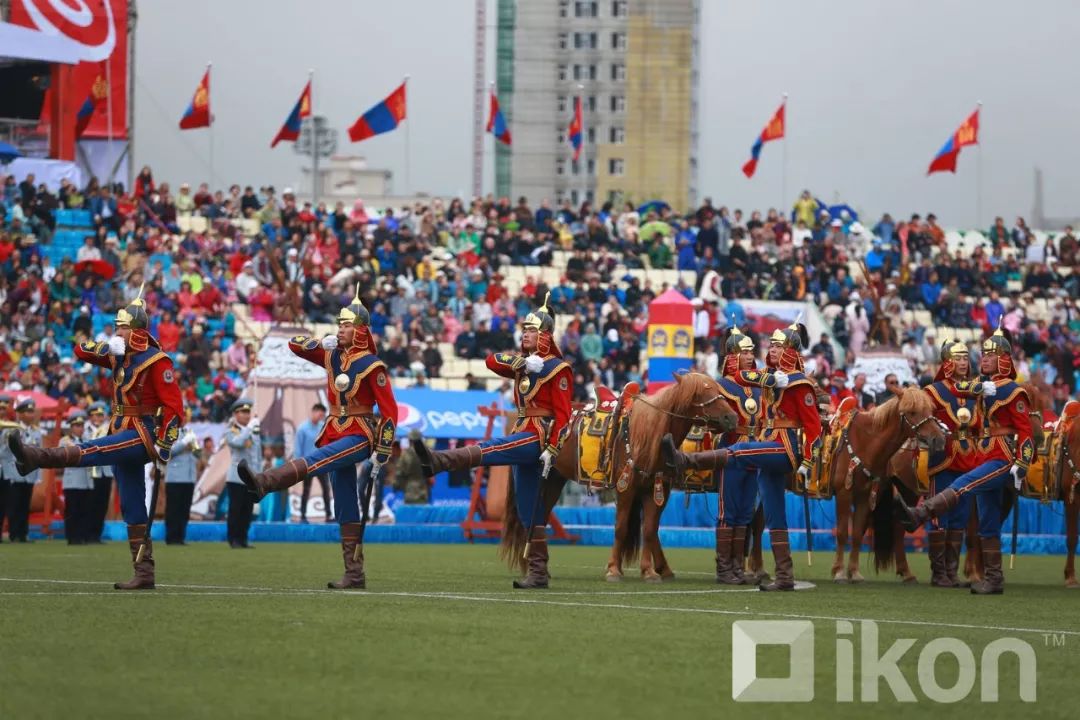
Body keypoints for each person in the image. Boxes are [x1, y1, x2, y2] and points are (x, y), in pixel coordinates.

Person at [8, 286, 185, 589]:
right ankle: (144, 572)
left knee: (94, 450)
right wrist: (107, 346)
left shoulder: (157, 361)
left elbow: (174, 407)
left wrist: (164, 443)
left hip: (143, 432)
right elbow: (80, 351)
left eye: (122, 327)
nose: (117, 330)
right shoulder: (118, 354)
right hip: (121, 427)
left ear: (136, 329)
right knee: (131, 503)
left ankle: (37, 456)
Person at [238, 285, 398, 590]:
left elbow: (389, 411)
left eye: (347, 324)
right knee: (345, 502)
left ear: (361, 330)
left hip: (360, 433)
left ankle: (266, 481)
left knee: (317, 460)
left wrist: (383, 448)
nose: (341, 329)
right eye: (339, 324)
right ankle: (354, 573)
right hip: (334, 430)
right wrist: (319, 343)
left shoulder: (372, 365)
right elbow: (294, 345)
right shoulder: (331, 356)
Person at [414, 294, 573, 589]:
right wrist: (523, 364)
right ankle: (538, 572)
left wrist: (553, 447)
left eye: (532, 330)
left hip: (538, 434)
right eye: (524, 329)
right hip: (522, 428)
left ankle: (440, 461)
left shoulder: (559, 370)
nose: (525, 333)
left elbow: (564, 416)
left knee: (493, 448)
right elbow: (491, 361)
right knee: (528, 509)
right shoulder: (525, 364)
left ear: (546, 336)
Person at [661, 320, 822, 592]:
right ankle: (784, 576)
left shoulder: (799, 384)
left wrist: (807, 460)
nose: (768, 350)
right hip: (766, 446)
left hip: (783, 446)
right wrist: (771, 377)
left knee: (739, 453)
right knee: (773, 515)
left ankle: (685, 461)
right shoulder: (765, 378)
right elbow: (744, 377)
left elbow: (813, 427)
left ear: (789, 351)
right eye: (769, 345)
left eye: (777, 346)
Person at [897, 326, 1032, 595]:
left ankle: (920, 514)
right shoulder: (981, 386)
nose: (982, 359)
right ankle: (994, 579)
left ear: (1003, 359)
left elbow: (1025, 430)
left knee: (964, 485)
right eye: (981, 354)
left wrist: (1023, 463)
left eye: (989, 355)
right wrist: (982, 385)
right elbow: (959, 387)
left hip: (1002, 454)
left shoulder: (1014, 392)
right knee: (987, 521)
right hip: (977, 451)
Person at [699, 325, 774, 584]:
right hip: (731, 453)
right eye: (745, 353)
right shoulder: (721, 386)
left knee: (745, 513)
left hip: (755, 452)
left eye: (752, 352)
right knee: (727, 512)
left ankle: (738, 568)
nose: (751, 357)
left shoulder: (760, 386)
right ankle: (723, 570)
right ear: (733, 357)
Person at [919, 339, 996, 587]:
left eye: (965, 358)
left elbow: (981, 425)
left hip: (968, 458)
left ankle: (951, 572)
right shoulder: (933, 391)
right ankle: (938, 573)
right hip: (942, 457)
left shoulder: (976, 391)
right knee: (940, 517)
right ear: (947, 362)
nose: (963, 363)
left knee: (960, 517)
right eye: (958, 359)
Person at [5, 399, 44, 542]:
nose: (31, 414)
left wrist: (38, 475)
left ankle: (23, 534)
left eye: (32, 411)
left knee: (25, 505)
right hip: (15, 472)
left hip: (30, 473)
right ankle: (14, 534)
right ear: (19, 415)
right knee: (14, 504)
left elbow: (38, 454)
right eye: (28, 412)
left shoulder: (36, 432)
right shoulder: (13, 430)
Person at [225, 399, 260, 549]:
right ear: (235, 414)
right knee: (236, 509)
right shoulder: (231, 431)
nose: (247, 416)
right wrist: (249, 428)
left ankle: (243, 538)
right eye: (243, 412)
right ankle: (234, 539)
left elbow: (257, 454)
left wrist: (259, 474)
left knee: (247, 510)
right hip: (236, 477)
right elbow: (238, 443)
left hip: (251, 477)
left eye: (248, 412)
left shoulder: (252, 431)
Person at [60, 412, 95, 545]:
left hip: (86, 481)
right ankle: (72, 536)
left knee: (84, 510)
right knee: (72, 511)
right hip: (72, 481)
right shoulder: (65, 441)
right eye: (77, 426)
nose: (80, 428)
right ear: (71, 427)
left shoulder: (87, 440)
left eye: (81, 425)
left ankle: (82, 535)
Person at [295, 403, 332, 523]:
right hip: (307, 464)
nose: (321, 417)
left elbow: (326, 445)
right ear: (313, 412)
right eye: (320, 414)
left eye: (323, 415)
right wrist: (299, 466)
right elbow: (298, 449)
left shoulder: (322, 427)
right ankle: (302, 516)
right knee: (306, 490)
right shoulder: (302, 428)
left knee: (326, 488)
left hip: (321, 464)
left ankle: (328, 515)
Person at [165, 426, 200, 545]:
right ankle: (171, 537)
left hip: (189, 477)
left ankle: (180, 537)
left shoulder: (189, 431)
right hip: (175, 477)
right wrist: (184, 443)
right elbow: (168, 451)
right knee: (174, 509)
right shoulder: (171, 431)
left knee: (184, 510)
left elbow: (198, 454)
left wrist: (194, 446)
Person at [85, 402, 114, 544]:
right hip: (90, 472)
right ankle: (86, 533)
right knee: (88, 503)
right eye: (95, 415)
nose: (98, 418)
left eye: (101, 415)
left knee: (102, 504)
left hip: (105, 471)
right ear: (90, 416)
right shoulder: (85, 431)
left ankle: (96, 534)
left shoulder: (109, 429)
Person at [397, 429, 428, 504]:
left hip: (409, 490)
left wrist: (400, 486)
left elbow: (400, 473)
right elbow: (431, 478)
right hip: (423, 490)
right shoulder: (426, 453)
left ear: (410, 439)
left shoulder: (406, 454)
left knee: (410, 513)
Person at [0, 395, 16, 541]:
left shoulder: (10, 427)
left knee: (4, 504)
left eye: (4, 408)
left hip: (5, 471)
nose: (2, 411)